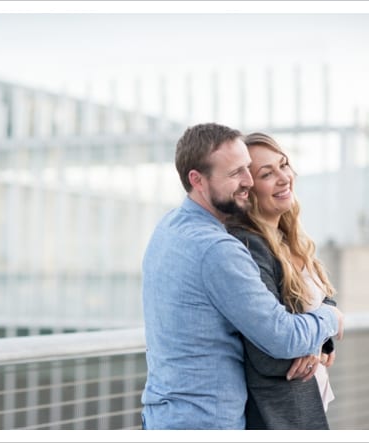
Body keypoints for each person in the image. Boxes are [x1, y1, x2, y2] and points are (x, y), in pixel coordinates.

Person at [140, 123, 344, 430]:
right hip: (206, 422)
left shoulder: (168, 226)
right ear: (197, 180)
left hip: (164, 415)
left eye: (248, 169)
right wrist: (331, 318)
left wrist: (318, 335)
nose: (247, 181)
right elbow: (281, 338)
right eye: (236, 173)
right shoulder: (219, 249)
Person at [225, 132, 338, 429]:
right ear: (248, 189)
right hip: (279, 416)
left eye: (283, 165)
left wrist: (319, 339)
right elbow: (269, 347)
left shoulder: (289, 238)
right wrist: (325, 325)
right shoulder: (248, 245)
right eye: (267, 173)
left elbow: (323, 299)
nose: (283, 177)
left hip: (309, 400)